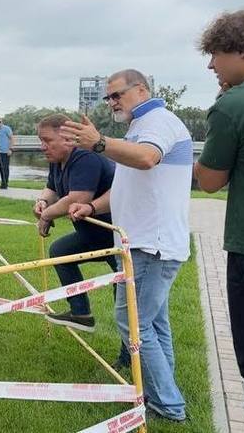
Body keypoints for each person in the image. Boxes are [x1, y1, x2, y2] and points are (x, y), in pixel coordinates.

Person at [62, 69, 191, 423]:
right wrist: (91, 207)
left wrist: (99, 143)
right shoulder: (139, 128)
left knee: (133, 323)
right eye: (109, 97)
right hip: (143, 243)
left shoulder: (157, 122)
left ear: (142, 89)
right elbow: (127, 187)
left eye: (117, 95)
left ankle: (168, 404)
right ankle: (162, 394)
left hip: (151, 246)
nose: (112, 102)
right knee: (154, 324)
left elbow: (148, 158)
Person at [194, 9, 244, 432]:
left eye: (215, 54)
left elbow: (209, 181)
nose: (211, 65)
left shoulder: (235, 104)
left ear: (242, 49)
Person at [33, 114, 118, 332]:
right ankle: (81, 313)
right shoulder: (57, 160)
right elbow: (52, 188)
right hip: (94, 234)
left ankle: (130, 359)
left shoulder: (85, 157)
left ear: (68, 138)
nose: (43, 146)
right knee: (61, 251)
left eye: (47, 140)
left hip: (118, 236)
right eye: (41, 140)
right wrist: (43, 202)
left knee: (125, 301)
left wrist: (46, 215)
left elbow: (78, 198)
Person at [0, 118, 15, 189]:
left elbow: (12, 138)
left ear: (2, 122)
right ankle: (3, 182)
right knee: (0, 167)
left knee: (5, 168)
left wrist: (10, 149)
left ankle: (5, 183)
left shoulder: (6, 128)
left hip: (6, 151)